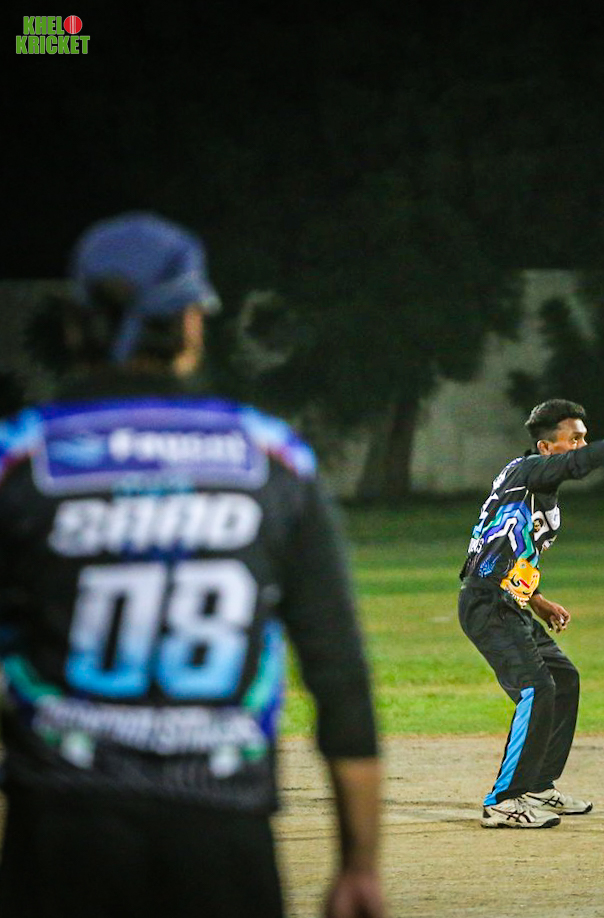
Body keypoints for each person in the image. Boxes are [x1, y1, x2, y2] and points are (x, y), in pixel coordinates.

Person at [0, 213, 386, 918]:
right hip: (223, 841)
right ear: (190, 323)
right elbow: (340, 675)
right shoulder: (272, 459)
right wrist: (358, 865)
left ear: (77, 325)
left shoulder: (18, 460)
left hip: (60, 837)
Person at [458, 395, 604, 828]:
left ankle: (537, 785)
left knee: (563, 679)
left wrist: (538, 600)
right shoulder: (529, 469)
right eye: (575, 439)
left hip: (509, 602)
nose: (582, 447)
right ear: (546, 447)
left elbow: (509, 550)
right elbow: (582, 465)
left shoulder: (534, 487)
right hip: (487, 603)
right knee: (535, 689)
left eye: (585, 438)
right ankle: (503, 801)